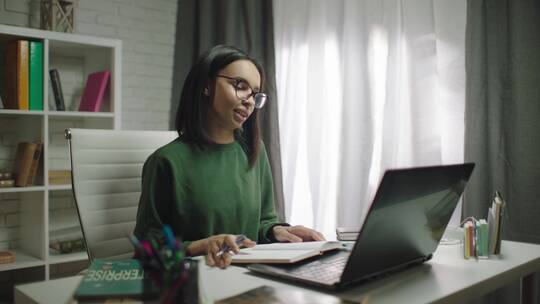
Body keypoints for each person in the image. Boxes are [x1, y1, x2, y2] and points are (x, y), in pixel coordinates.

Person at [134, 45, 325, 268]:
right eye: (240, 86)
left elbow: (263, 221)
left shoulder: (254, 151)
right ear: (206, 85)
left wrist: (278, 231)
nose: (249, 100)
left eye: (255, 94)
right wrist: (200, 245)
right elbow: (147, 248)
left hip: (250, 277)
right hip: (196, 281)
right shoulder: (166, 161)